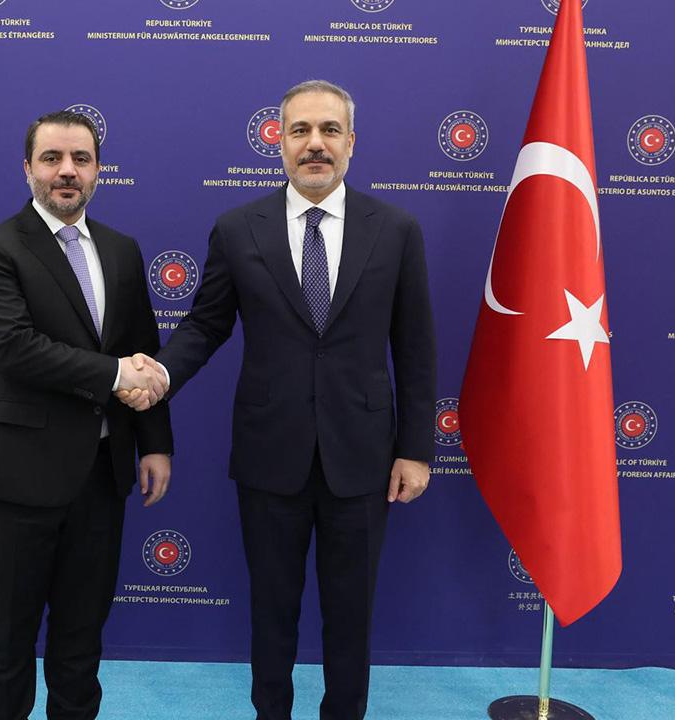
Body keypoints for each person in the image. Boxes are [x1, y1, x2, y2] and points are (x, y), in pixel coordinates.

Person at [123, 80, 436, 720]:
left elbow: (415, 347)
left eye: (329, 130)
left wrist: (416, 450)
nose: (314, 144)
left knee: (352, 613)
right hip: (270, 456)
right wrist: (159, 374)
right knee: (271, 610)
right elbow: (206, 325)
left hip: (363, 457)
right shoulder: (238, 228)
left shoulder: (396, 230)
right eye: (300, 131)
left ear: (351, 142)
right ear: (280, 142)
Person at [0, 110, 173, 720]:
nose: (67, 171)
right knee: (7, 643)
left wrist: (155, 442)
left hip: (101, 476)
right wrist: (114, 375)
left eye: (81, 158)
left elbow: (143, 348)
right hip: (17, 479)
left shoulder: (122, 250)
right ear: (27, 168)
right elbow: (16, 348)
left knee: (81, 642)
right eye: (52, 158)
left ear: (99, 170)